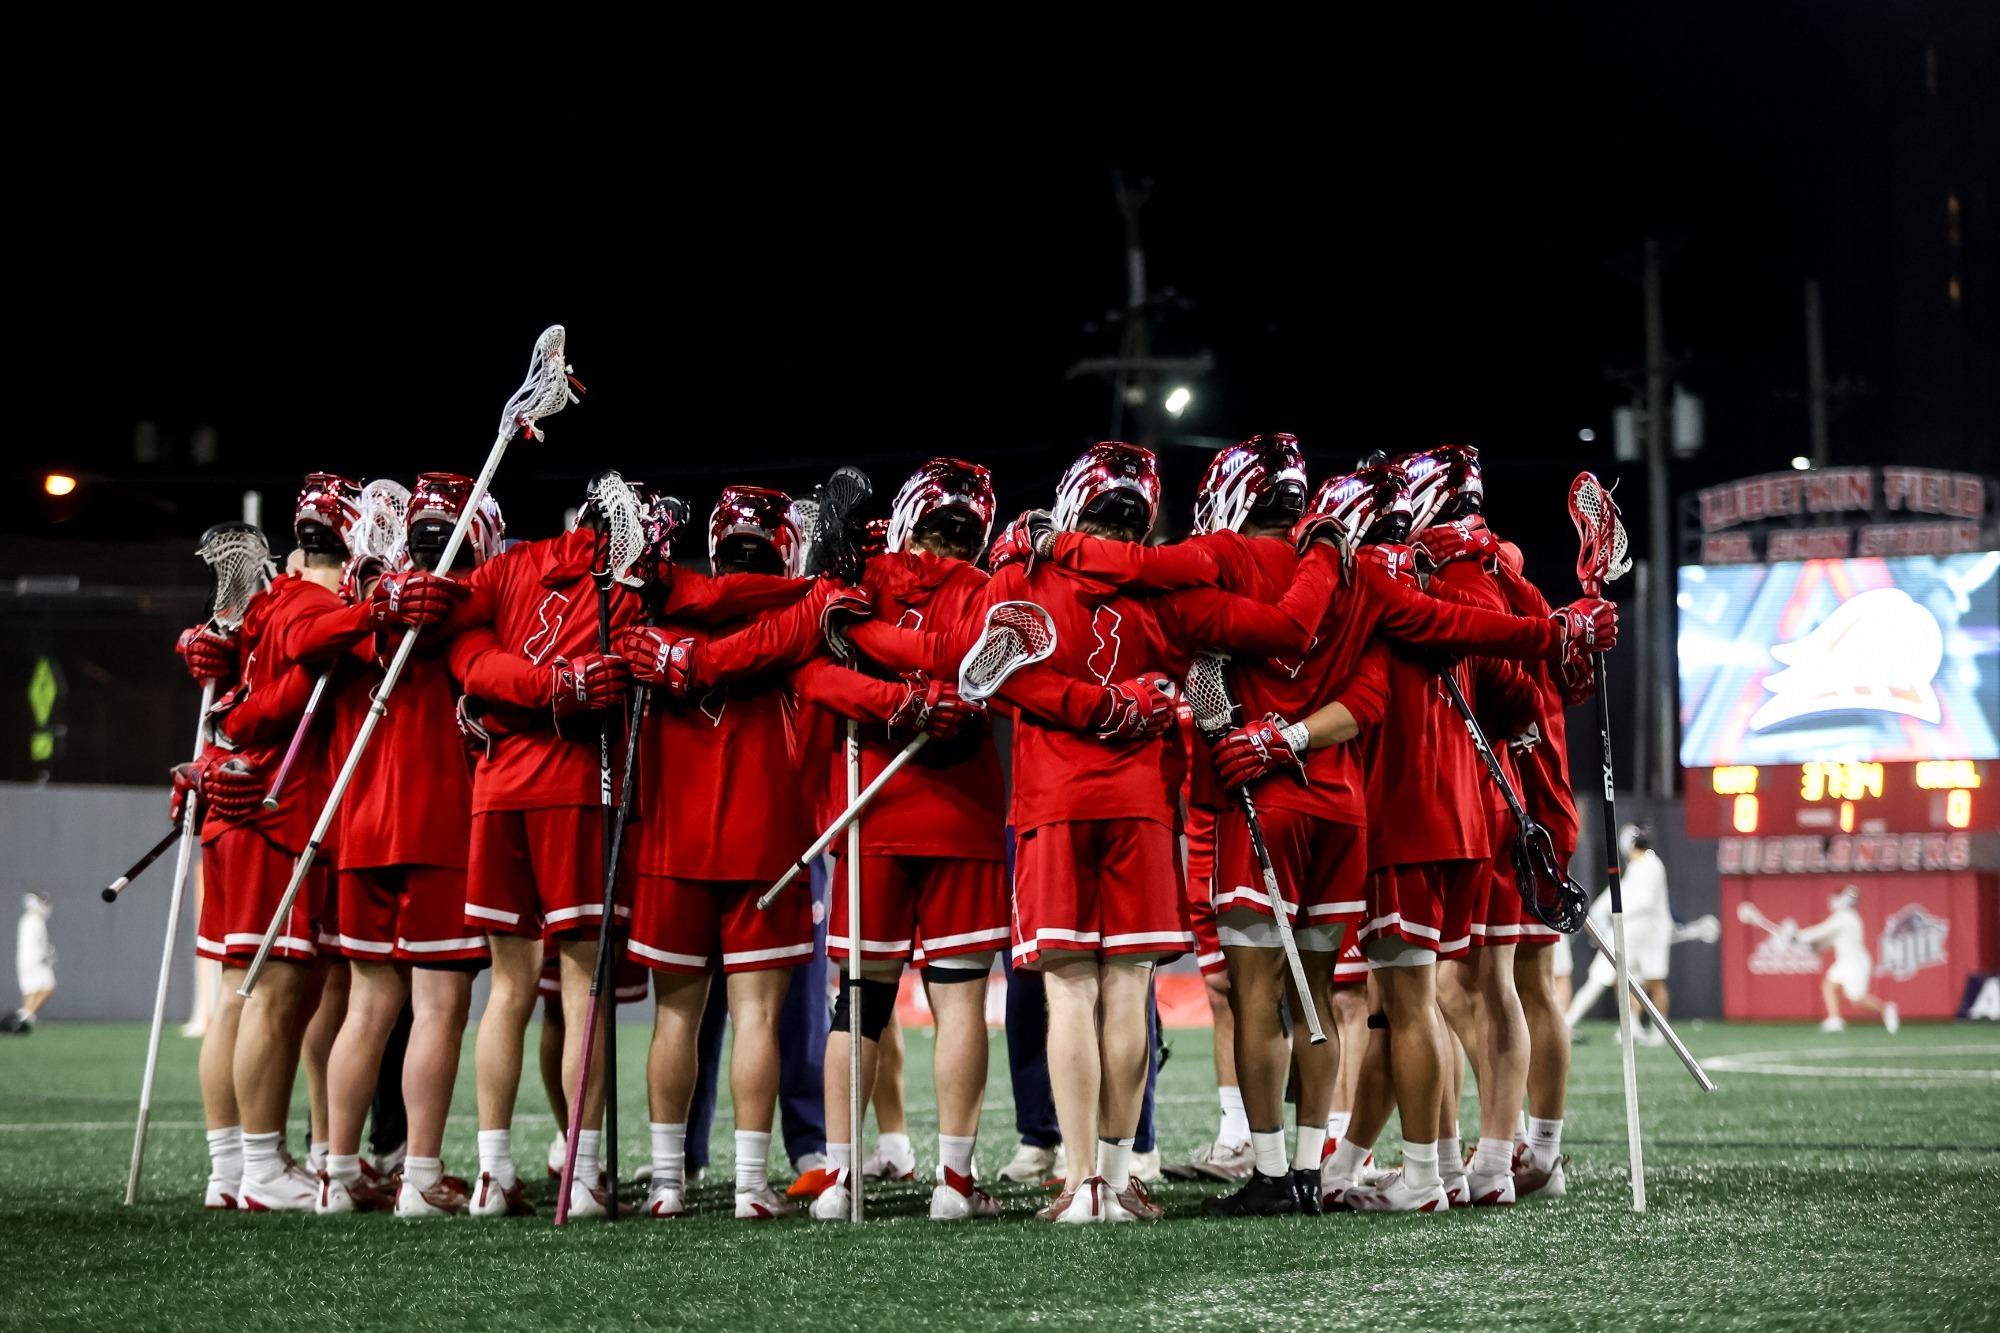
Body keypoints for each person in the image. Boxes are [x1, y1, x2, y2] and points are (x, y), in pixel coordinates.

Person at [296, 474, 501, 1217]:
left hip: (360, 828)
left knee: (368, 1006)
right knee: (438, 1004)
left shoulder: (357, 596)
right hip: (438, 823)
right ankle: (419, 1174)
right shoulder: (458, 606)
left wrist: (371, 599)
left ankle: (338, 1171)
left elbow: (309, 631)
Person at [1566, 825, 1674, 1045]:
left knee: (1653, 982)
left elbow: (1644, 903)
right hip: (1632, 936)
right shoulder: (1638, 868)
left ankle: (1657, 1030)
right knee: (1622, 982)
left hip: (1649, 937)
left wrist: (1614, 916)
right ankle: (1632, 1025)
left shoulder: (1650, 865)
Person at [1800, 886, 1898, 1034]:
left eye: (1836, 898)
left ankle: (1886, 1009)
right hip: (1843, 963)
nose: (1832, 902)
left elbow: (1822, 930)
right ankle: (1835, 1020)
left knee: (1857, 1000)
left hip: (1856, 963)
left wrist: (1798, 936)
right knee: (1829, 986)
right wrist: (1808, 946)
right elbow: (1825, 944)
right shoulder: (1842, 918)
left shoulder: (1846, 917)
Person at [3, 893, 55, 1034]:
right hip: (36, 960)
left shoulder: (26, 920)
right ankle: (25, 1017)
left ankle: (21, 1019)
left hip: (23, 961)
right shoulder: (36, 921)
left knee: (30, 990)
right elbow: (39, 945)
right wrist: (48, 955)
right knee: (48, 986)